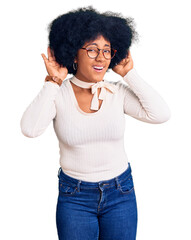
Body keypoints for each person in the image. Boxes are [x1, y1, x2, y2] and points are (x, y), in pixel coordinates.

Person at [20, 6, 171, 240]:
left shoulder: (116, 92)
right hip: (75, 198)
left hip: (120, 193)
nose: (101, 57)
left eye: (107, 51)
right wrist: (53, 82)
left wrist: (129, 74)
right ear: (73, 54)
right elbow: (30, 129)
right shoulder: (58, 94)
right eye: (92, 50)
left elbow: (160, 114)